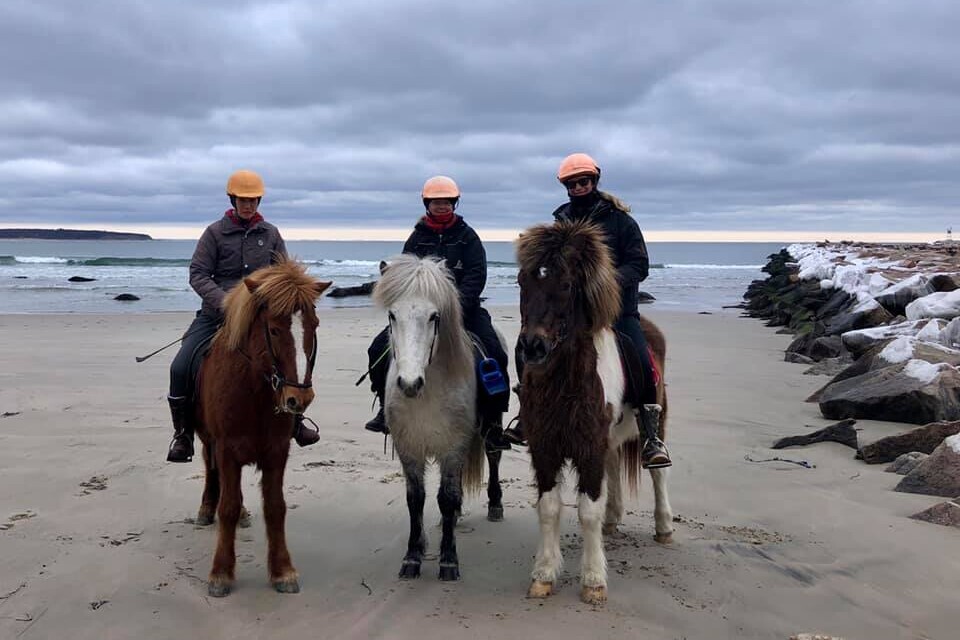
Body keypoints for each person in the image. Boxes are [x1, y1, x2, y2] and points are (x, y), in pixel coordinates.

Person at [504, 153, 671, 468]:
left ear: (594, 180)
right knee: (524, 347)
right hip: (571, 313)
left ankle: (650, 435)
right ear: (566, 186)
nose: (579, 187)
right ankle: (526, 415)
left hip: (616, 310)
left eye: (584, 181)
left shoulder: (621, 221)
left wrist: (602, 283)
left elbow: (639, 264)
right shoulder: (561, 221)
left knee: (639, 355)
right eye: (572, 183)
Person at [165, 169, 320, 463]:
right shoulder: (214, 233)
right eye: (243, 200)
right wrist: (225, 302)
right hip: (217, 315)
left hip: (261, 319)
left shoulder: (271, 234)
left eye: (253, 201)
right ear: (232, 199)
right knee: (180, 366)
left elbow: (285, 274)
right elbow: (198, 274)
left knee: (287, 360)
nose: (248, 206)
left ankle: (295, 423)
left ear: (259, 201)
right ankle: (183, 434)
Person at [363, 176, 512, 452]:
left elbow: (476, 276)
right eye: (436, 202)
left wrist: (453, 309)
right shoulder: (417, 238)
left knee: (494, 351)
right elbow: (404, 277)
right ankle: (385, 410)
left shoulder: (468, 237)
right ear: (427, 204)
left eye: (446, 202)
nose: (441, 206)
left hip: (463, 313)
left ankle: (492, 420)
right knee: (376, 350)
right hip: (420, 317)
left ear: (454, 204)